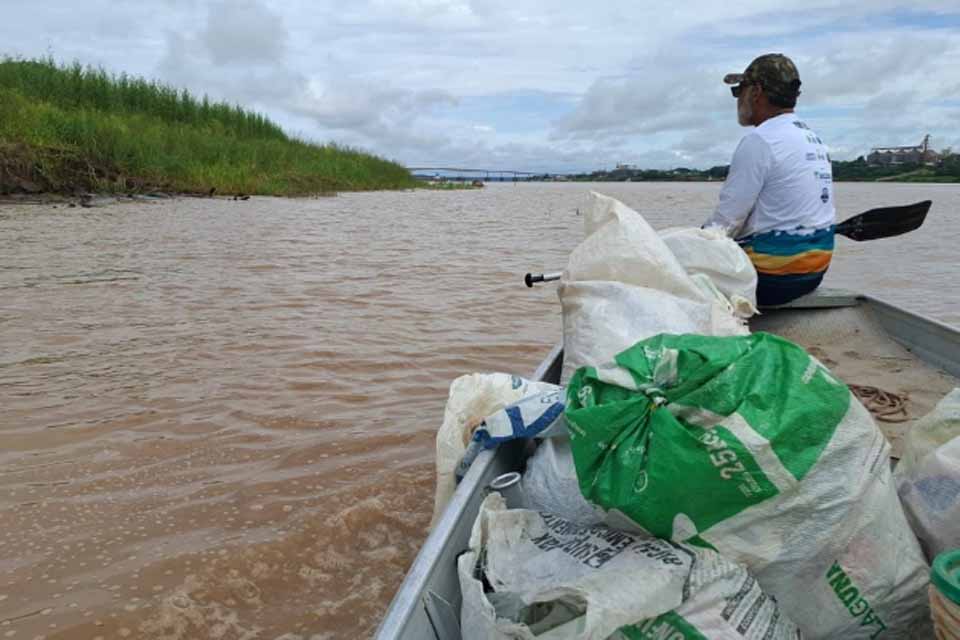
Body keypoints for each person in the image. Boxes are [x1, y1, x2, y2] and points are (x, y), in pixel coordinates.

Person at [703, 53, 836, 306]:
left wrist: (691, 244)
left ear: (756, 92)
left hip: (772, 280)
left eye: (738, 91)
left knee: (679, 265)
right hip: (813, 274)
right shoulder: (812, 138)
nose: (737, 100)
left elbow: (725, 225)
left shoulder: (760, 141)